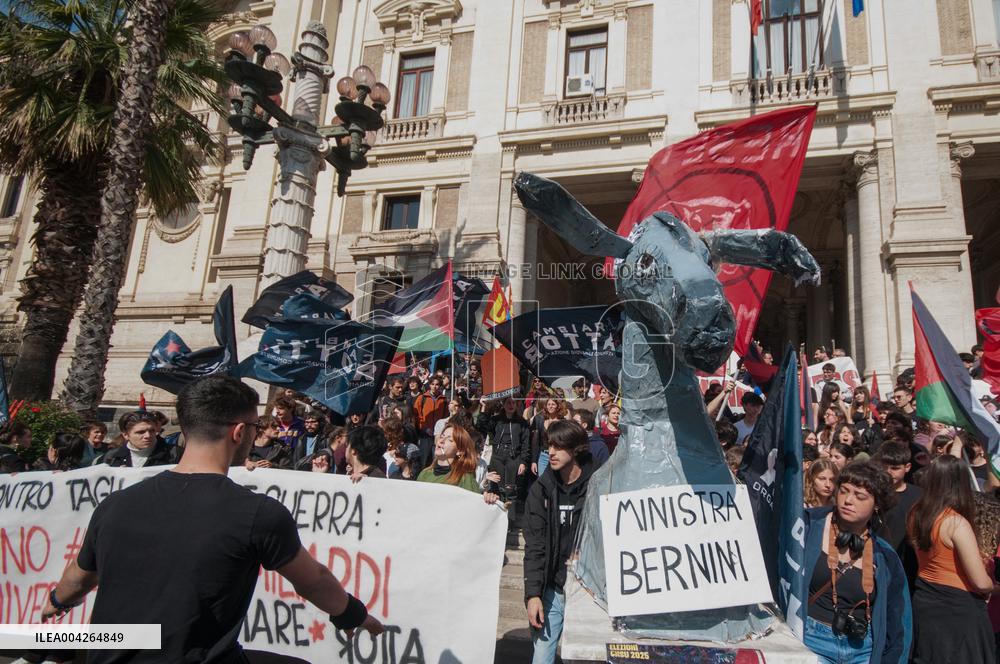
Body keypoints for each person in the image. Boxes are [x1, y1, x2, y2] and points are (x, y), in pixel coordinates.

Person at [41, 375, 383, 661]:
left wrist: (56, 602)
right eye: (254, 426)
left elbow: (78, 578)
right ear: (239, 432)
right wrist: (353, 614)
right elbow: (313, 580)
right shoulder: (257, 513)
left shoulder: (115, 505)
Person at [803, 461, 911, 664]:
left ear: (876, 504)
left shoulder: (885, 556)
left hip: (862, 649)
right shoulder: (807, 527)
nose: (848, 500)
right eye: (844, 491)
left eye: (860, 496)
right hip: (812, 641)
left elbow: (898, 620)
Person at [519, 420, 595, 664]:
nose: (550, 452)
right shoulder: (540, 490)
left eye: (558, 446)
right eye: (549, 445)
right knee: (541, 659)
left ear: (575, 449)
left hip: (589, 593)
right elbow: (534, 546)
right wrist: (533, 595)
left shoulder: (600, 485)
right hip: (552, 590)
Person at [907, 455, 997, 663]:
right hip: (959, 610)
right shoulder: (955, 523)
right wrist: (994, 587)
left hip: (925, 600)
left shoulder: (916, 513)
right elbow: (980, 582)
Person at [873, 441, 922, 590]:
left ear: (907, 467)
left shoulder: (920, 496)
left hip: (910, 565)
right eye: (884, 467)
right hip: (878, 561)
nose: (889, 472)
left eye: (895, 468)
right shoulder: (873, 493)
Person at [485, 396, 531, 502]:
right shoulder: (495, 420)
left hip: (513, 456)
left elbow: (525, 443)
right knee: (496, 486)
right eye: (508, 403)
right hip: (498, 456)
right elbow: (483, 427)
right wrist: (485, 407)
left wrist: (523, 462)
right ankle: (498, 515)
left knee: (511, 489)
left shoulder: (521, 422)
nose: (511, 405)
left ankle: (510, 517)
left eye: (513, 403)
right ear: (503, 404)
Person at [417, 423, 481, 492]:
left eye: (450, 440)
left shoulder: (464, 478)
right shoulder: (424, 474)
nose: (441, 441)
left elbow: (474, 500)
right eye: (441, 437)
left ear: (459, 451)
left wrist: (488, 499)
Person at [102, 411, 173, 468]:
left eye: (152, 431)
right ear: (126, 435)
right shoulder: (112, 457)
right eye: (141, 432)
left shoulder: (174, 454)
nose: (148, 436)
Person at [413, 376, 449, 467]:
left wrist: (441, 431)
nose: (434, 386)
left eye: (437, 384)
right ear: (429, 385)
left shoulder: (444, 400)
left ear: (440, 386)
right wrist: (424, 428)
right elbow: (417, 416)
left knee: (436, 459)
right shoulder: (422, 398)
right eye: (432, 384)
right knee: (423, 460)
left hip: (438, 434)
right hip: (425, 434)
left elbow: (445, 417)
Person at [531, 397, 566, 478]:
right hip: (543, 456)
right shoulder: (540, 420)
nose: (550, 406)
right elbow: (536, 442)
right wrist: (534, 461)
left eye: (553, 404)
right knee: (542, 481)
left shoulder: (563, 422)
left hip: (557, 456)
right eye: (548, 404)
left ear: (558, 406)